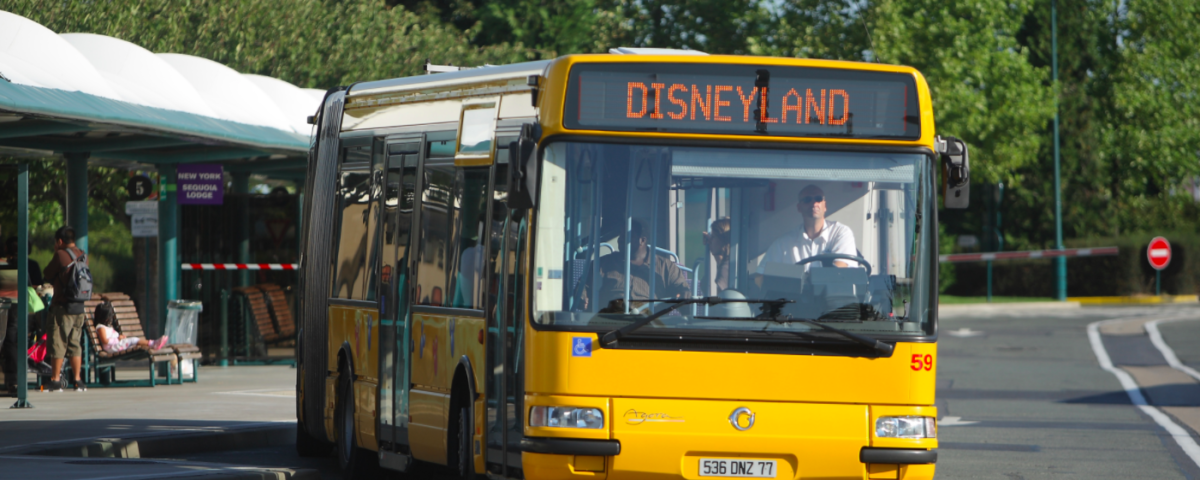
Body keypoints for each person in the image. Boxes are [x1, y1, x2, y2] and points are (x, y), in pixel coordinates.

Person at [577, 218, 690, 312]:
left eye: (626, 236)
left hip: (648, 323)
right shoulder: (604, 262)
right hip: (610, 320)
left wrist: (683, 294)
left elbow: (682, 290)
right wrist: (582, 295)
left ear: (642, 240)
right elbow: (582, 284)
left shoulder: (666, 267)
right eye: (620, 235)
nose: (620, 240)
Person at [755, 185, 858, 281]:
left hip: (831, 295)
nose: (814, 203)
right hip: (794, 295)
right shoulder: (783, 243)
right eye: (807, 199)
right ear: (799, 207)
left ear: (825, 205)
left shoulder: (840, 232)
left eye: (818, 199)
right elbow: (760, 277)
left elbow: (840, 268)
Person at [42, 226, 88, 392]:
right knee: (75, 343)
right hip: (79, 307)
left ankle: (55, 380)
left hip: (62, 307)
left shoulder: (60, 254)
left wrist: (56, 252)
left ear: (60, 241)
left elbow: (47, 274)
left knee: (58, 342)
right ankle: (78, 380)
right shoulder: (83, 255)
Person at [0, 236, 44, 394]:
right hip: (21, 306)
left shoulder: (3, 265)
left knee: (8, 341)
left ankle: (12, 379)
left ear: (7, 249)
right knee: (17, 340)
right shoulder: (28, 264)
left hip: (4, 306)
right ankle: (17, 379)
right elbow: (32, 285)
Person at [94, 307, 166, 354]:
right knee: (133, 340)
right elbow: (105, 341)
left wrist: (119, 338)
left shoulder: (105, 327)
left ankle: (153, 344)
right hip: (112, 348)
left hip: (115, 345)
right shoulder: (101, 327)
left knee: (133, 341)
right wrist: (118, 339)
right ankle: (153, 343)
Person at [699, 218, 732, 294]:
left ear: (723, 240)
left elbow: (715, 296)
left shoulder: (725, 268)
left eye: (713, 237)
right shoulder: (728, 263)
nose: (710, 241)